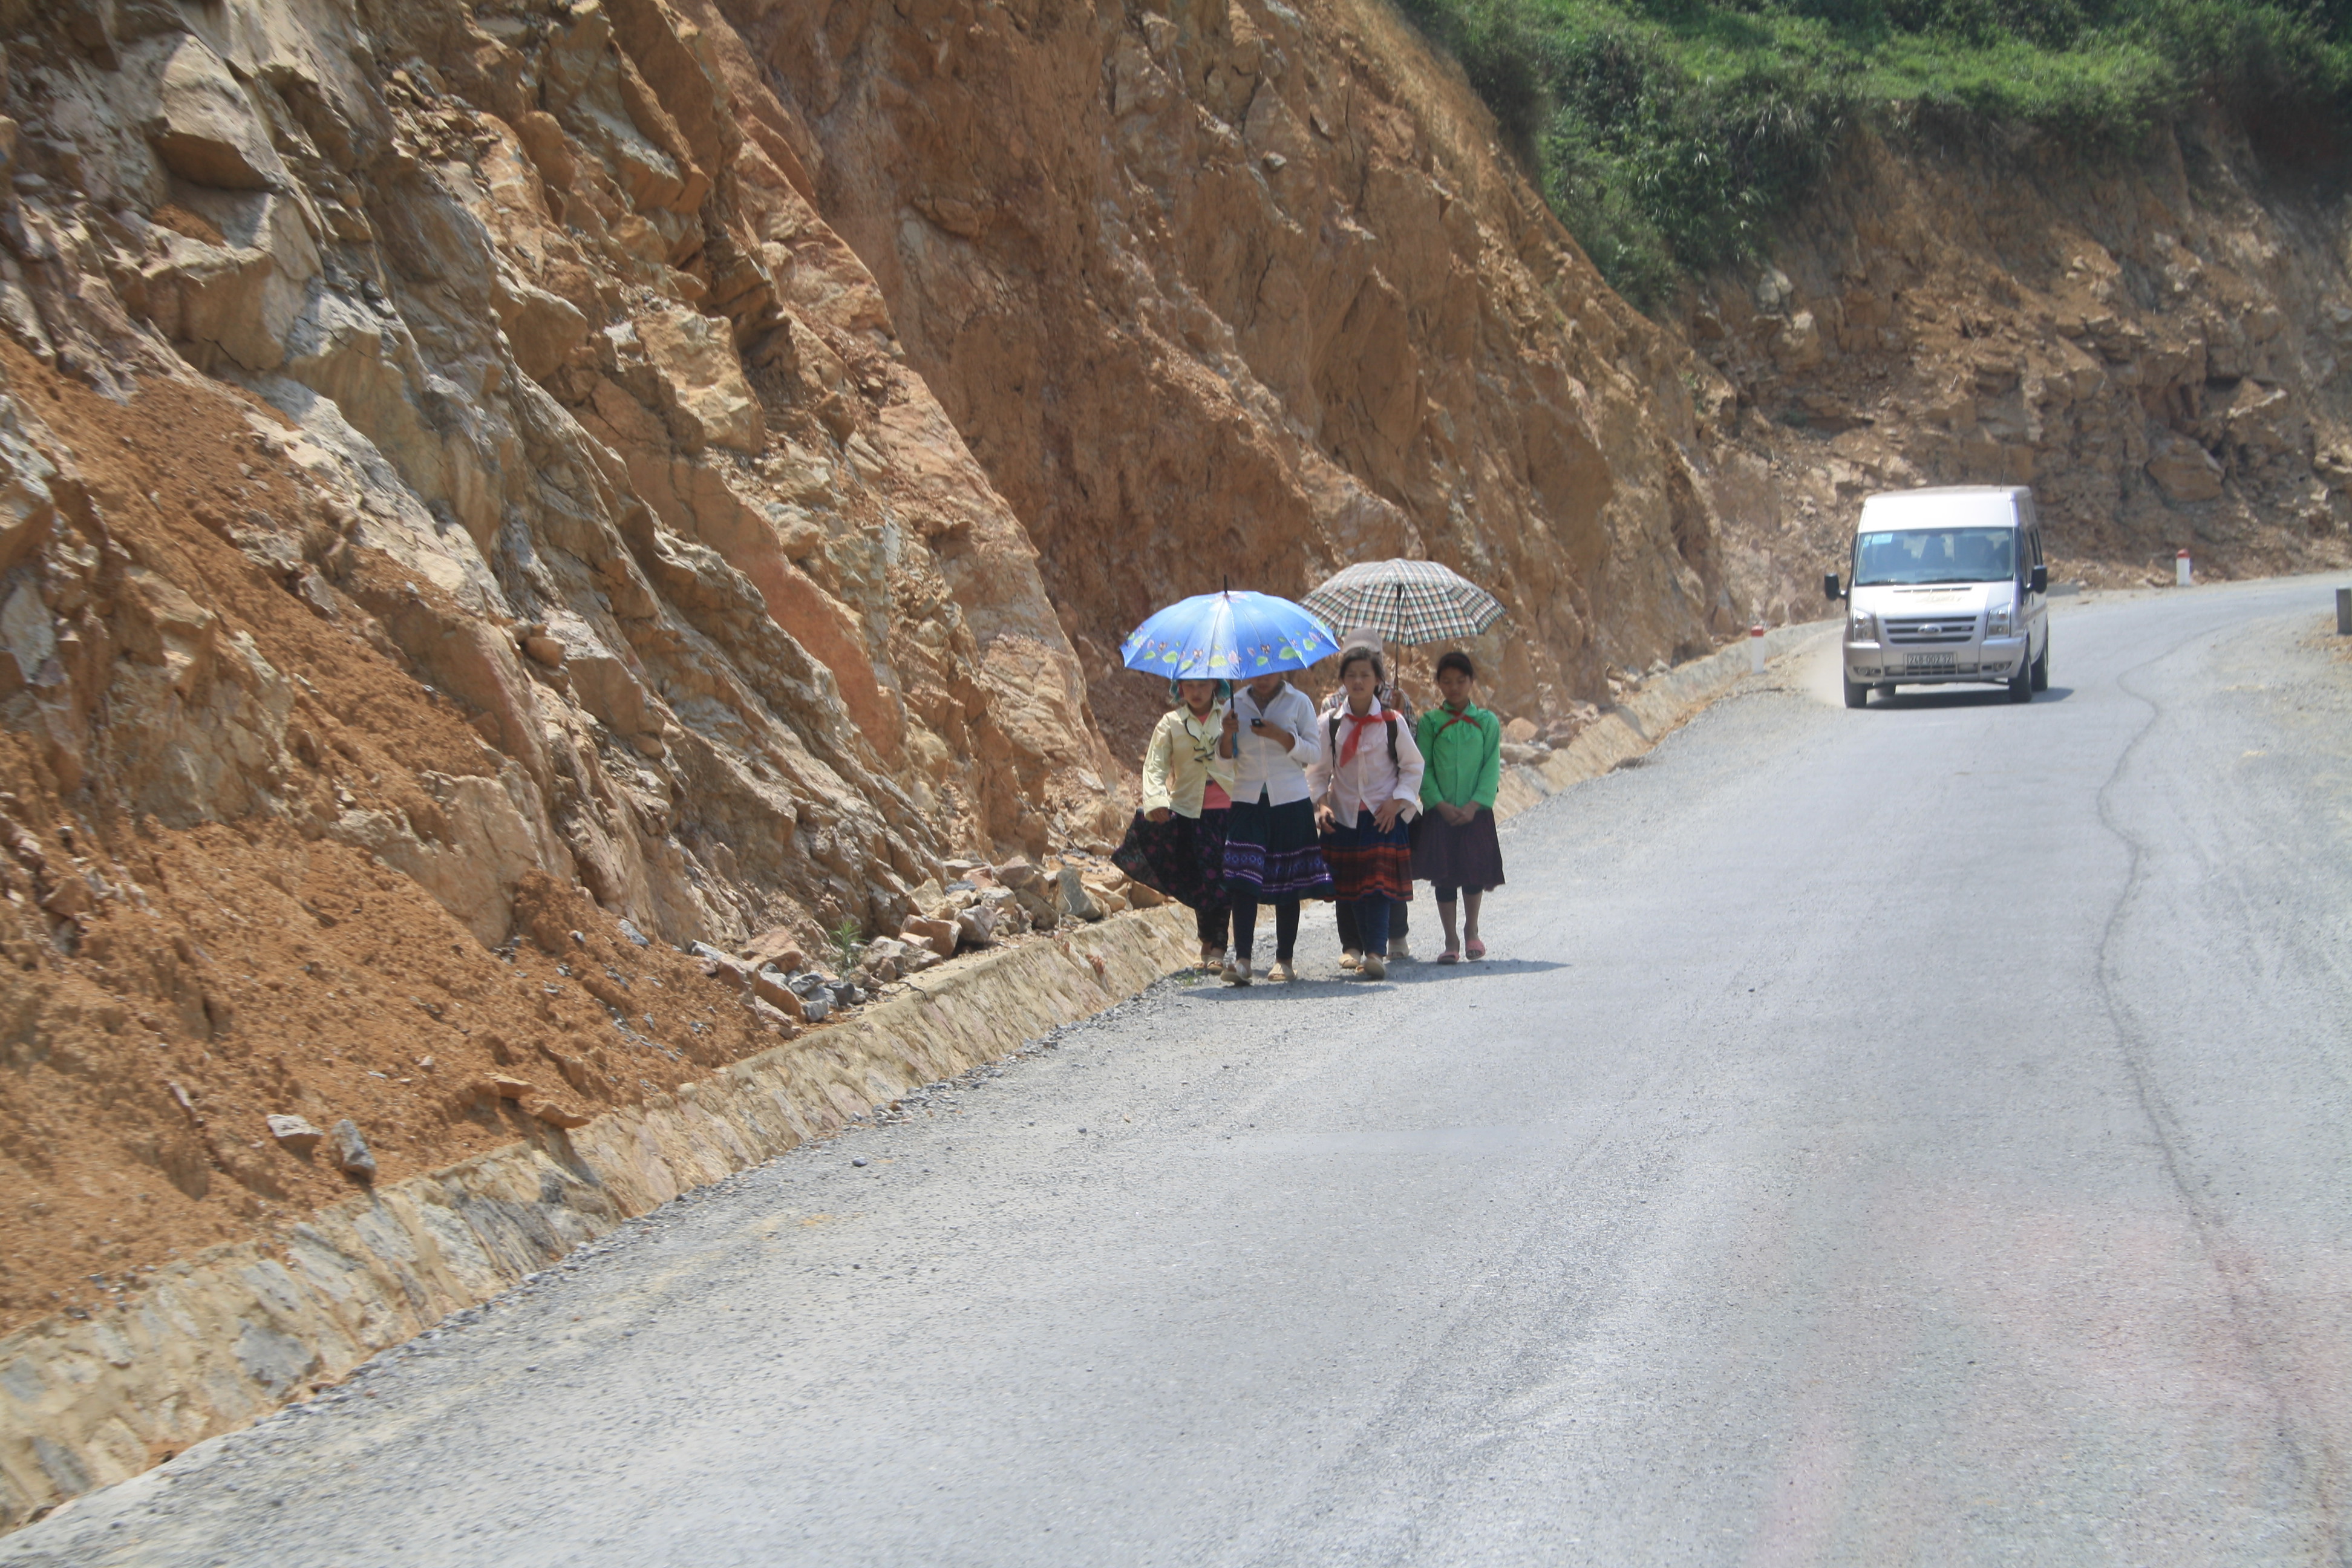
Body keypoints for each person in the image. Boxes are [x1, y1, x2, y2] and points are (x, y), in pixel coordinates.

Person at [1308, 643, 1423, 981]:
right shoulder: (1329, 724)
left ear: (1378, 681)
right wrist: (1322, 804)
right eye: (1351, 675)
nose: (1358, 682)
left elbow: (1413, 767)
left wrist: (1397, 802)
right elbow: (1317, 772)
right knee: (1350, 886)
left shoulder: (1392, 722)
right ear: (1343, 681)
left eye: (1365, 675)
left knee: (1377, 887)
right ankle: (1357, 948)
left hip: (1382, 817)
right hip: (1343, 816)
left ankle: (1375, 953)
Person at [1217, 667, 1331, 985]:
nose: (1262, 677)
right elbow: (1223, 760)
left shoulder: (1299, 702)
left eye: (1269, 670)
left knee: (1287, 879)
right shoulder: (1234, 705)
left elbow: (1314, 753)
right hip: (1247, 800)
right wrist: (1227, 734)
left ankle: (1284, 960)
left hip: (1290, 801)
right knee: (1243, 879)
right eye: (1255, 670)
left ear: (1281, 668)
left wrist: (1282, 736)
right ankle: (1243, 960)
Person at [1112, 678, 1235, 970]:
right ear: (1179, 689)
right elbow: (1155, 765)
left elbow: (1247, 758)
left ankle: (1218, 947)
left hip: (1229, 809)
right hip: (1188, 810)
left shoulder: (1230, 716)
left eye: (1202, 685)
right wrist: (1156, 800)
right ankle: (1207, 940)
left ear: (1216, 685)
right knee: (1200, 878)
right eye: (1189, 686)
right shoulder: (1170, 723)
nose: (1196, 692)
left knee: (1222, 879)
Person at [1413, 650, 1505, 962]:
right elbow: (1422, 767)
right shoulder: (1430, 722)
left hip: (1475, 812)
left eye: (1460, 681)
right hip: (1440, 814)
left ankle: (1472, 930)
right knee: (1444, 876)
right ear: (1438, 683)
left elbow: (1491, 766)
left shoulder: (1487, 722)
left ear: (1472, 682)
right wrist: (1438, 804)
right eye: (1447, 681)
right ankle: (1450, 939)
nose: (1454, 687)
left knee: (1473, 871)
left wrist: (1474, 804)